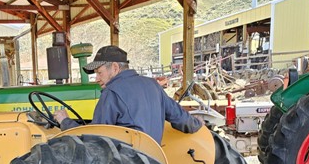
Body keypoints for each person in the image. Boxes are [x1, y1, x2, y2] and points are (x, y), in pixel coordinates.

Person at [54, 45, 202, 144]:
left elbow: (93, 138)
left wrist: (66, 122)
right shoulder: (153, 85)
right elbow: (182, 120)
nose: (97, 78)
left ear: (115, 67)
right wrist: (198, 122)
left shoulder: (111, 92)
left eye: (99, 73)